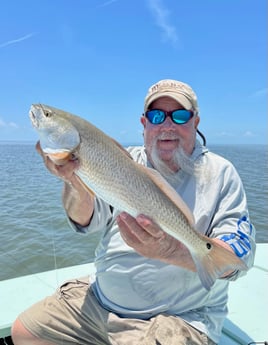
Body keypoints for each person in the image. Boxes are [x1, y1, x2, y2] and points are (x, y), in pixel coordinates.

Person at [11, 79, 256, 345]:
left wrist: (171, 251)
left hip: (177, 317)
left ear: (195, 123)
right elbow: (86, 220)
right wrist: (73, 181)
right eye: (157, 115)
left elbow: (236, 260)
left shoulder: (220, 173)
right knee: (25, 331)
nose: (167, 125)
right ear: (144, 124)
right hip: (100, 303)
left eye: (181, 115)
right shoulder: (122, 161)